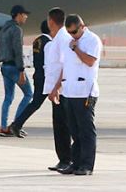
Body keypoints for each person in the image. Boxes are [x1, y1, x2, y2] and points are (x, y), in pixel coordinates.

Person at [49, 15, 102, 176]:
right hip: (69, 91)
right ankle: (75, 163)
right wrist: (56, 87)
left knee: (86, 131)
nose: (72, 35)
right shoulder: (68, 42)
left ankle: (87, 165)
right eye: (69, 32)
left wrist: (76, 48)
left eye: (74, 31)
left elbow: (90, 61)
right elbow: (66, 66)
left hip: (85, 91)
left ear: (82, 26)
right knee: (74, 130)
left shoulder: (92, 40)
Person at [9, 20, 52, 137]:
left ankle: (17, 124)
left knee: (36, 103)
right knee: (42, 103)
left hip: (38, 74)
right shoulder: (49, 43)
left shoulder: (38, 40)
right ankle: (16, 124)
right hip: (45, 76)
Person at [43, 8, 72, 172]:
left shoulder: (63, 39)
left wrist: (56, 88)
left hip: (61, 91)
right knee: (59, 125)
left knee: (63, 126)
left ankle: (66, 159)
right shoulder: (59, 38)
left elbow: (65, 66)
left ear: (51, 21)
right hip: (58, 90)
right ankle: (63, 158)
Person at [0, 5, 33, 137]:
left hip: (4, 66)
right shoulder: (16, 30)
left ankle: (3, 127)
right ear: (18, 15)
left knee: (8, 97)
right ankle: (16, 124)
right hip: (14, 67)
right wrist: (22, 71)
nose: (26, 17)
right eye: (24, 14)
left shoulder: (4, 29)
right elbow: (18, 51)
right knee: (29, 94)